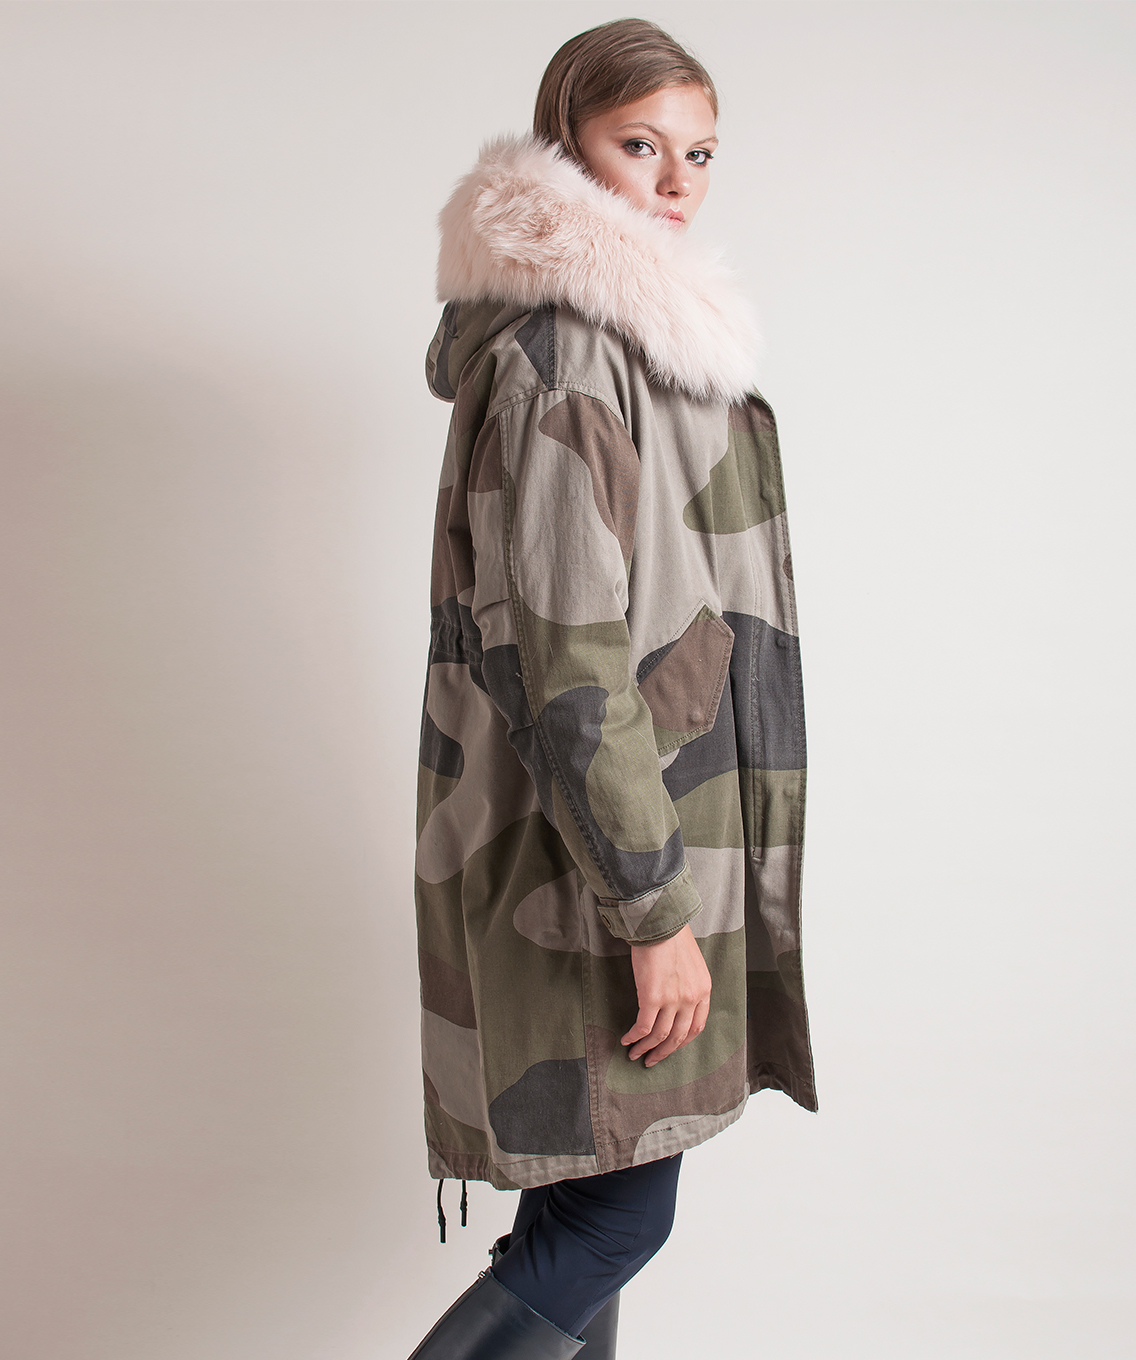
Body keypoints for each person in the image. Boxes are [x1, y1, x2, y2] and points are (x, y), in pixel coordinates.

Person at [409, 18, 816, 1358]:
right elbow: (567, 660)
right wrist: (652, 911)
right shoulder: (568, 352)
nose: (676, 182)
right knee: (607, 1223)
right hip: (591, 866)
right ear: (567, 148)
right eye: (639, 146)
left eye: (699, 153)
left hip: (612, 849)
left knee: (582, 1213)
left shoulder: (634, 341)